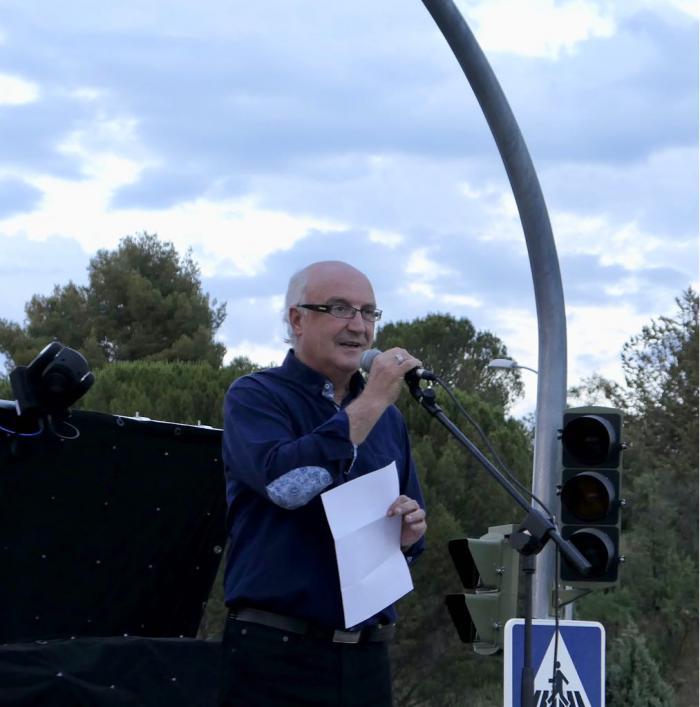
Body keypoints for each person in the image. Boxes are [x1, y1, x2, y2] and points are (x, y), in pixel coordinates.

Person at [219, 260, 427, 707]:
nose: (359, 326)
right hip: (274, 654)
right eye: (340, 309)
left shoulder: (388, 420)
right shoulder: (256, 396)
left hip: (366, 657)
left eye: (369, 313)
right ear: (297, 319)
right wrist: (371, 400)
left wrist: (408, 534)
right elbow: (286, 486)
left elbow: (410, 538)